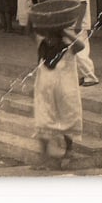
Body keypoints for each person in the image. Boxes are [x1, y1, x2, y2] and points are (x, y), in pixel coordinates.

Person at [32, 23, 84, 169]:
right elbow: (30, 32)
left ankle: (69, 150)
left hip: (64, 93)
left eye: (52, 37)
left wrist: (66, 32)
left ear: (58, 37)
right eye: (47, 36)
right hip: (45, 92)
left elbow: (81, 46)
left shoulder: (67, 47)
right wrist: (31, 19)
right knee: (43, 121)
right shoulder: (42, 46)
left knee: (67, 119)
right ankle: (44, 158)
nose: (49, 40)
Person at [58, 0, 98, 86]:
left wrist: (79, 23)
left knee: (81, 52)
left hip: (78, 23)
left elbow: (83, 4)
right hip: (69, 23)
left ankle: (91, 77)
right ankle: (81, 76)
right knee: (71, 52)